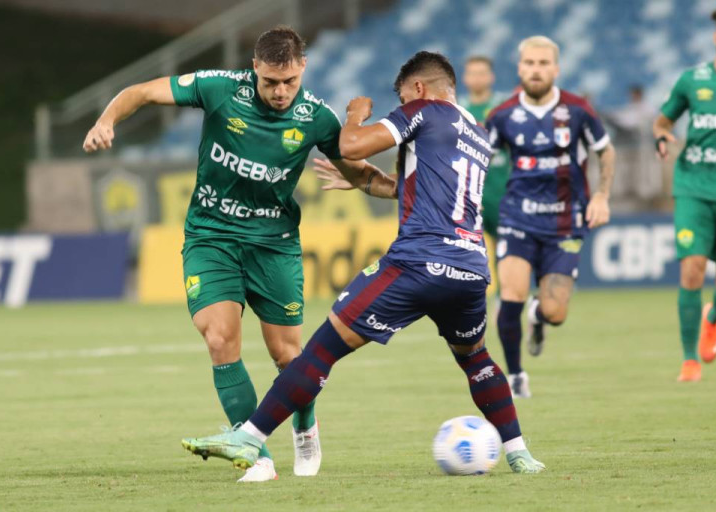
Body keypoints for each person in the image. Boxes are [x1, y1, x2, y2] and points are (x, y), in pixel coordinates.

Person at [180, 51, 546, 474]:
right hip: (470, 268)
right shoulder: (477, 134)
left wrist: (355, 114)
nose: (402, 102)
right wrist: (365, 183)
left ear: (420, 89)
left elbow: (350, 144)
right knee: (476, 358)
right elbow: (418, 191)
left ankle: (248, 438)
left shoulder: (423, 110)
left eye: (403, 95)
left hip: (417, 262)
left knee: (319, 350)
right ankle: (519, 453)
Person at [82, 26, 394, 481]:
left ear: (302, 68)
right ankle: (256, 454)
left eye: (289, 81)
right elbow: (140, 91)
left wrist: (393, 189)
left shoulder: (318, 119)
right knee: (219, 339)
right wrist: (107, 120)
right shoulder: (220, 89)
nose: (281, 91)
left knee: (289, 357)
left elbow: (364, 175)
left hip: (273, 244)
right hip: (211, 236)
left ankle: (305, 426)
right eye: (270, 82)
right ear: (254, 69)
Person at [485, 36, 616, 398]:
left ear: (556, 69)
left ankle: (539, 317)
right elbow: (475, 155)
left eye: (543, 63)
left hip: (564, 222)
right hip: (517, 218)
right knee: (509, 294)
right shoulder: (502, 114)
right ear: (519, 67)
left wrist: (602, 195)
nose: (536, 70)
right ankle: (514, 376)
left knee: (557, 312)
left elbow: (606, 152)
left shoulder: (578, 111)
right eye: (529, 63)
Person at [653, 3, 716, 383]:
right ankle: (689, 360)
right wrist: (662, 136)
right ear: (715, 36)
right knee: (691, 268)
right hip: (694, 187)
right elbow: (663, 120)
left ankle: (714, 316)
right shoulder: (692, 80)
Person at [460, 56, 512, 297]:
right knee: (464, 251)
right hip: (468, 196)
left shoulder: (505, 108)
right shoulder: (457, 110)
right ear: (465, 78)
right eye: (473, 73)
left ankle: (507, 298)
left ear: (491, 77)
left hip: (502, 193)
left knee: (508, 250)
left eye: (482, 73)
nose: (477, 78)